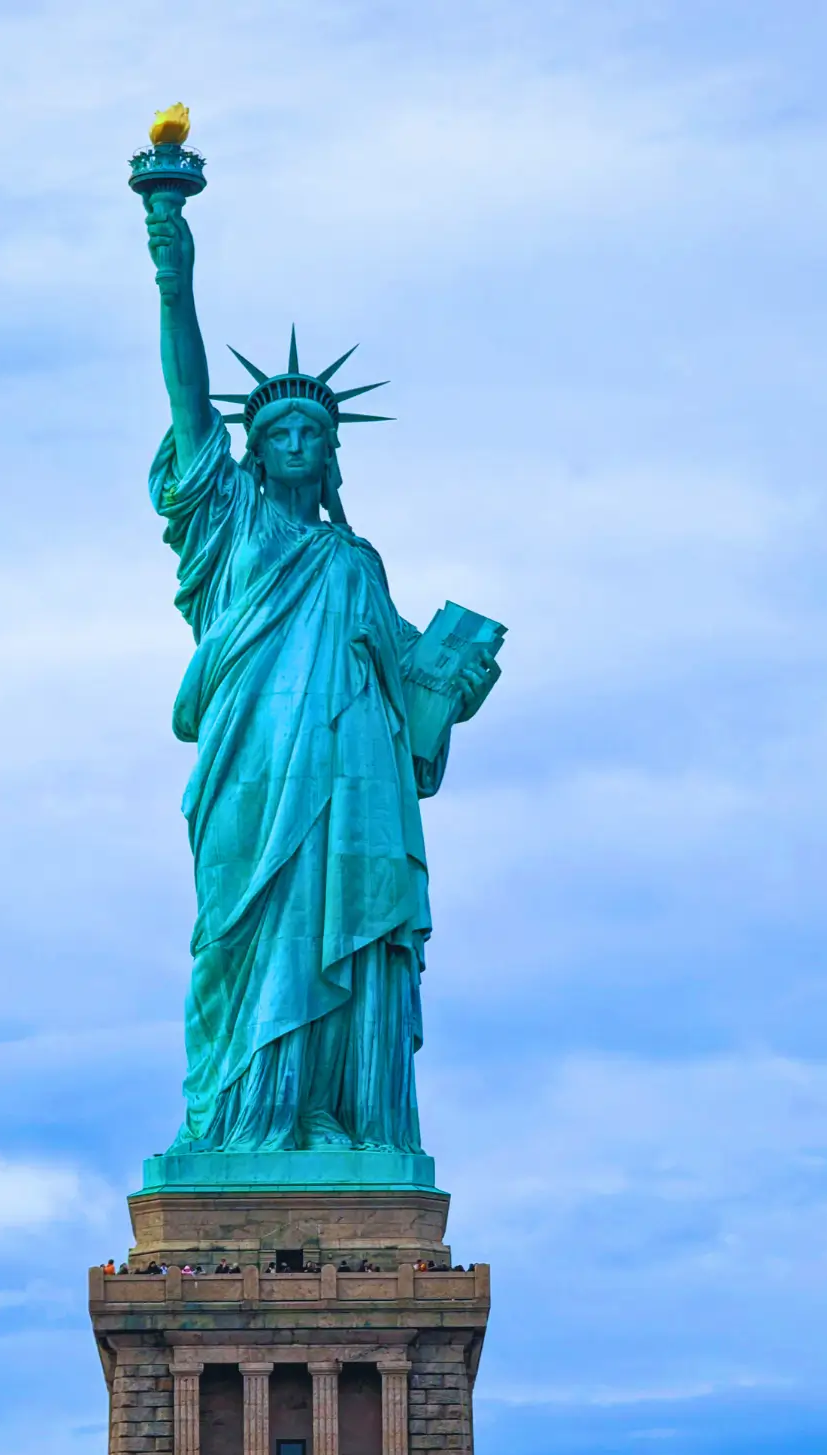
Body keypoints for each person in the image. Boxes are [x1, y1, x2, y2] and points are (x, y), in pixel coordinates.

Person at [142, 195, 500, 1156]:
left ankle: (327, 1110)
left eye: (315, 433)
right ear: (252, 456)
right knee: (244, 935)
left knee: (342, 927)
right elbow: (188, 403)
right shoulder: (229, 530)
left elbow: (411, 687)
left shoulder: (357, 564)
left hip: (354, 782)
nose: (299, 443)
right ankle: (244, 1115)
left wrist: (453, 682)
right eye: (281, 433)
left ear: (331, 456)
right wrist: (174, 272)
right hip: (252, 774)